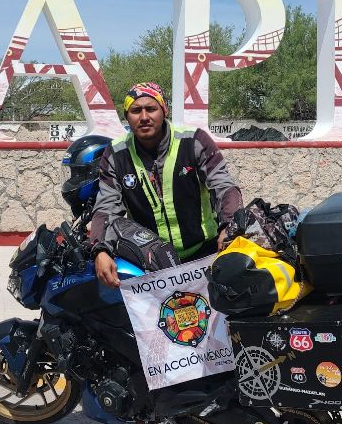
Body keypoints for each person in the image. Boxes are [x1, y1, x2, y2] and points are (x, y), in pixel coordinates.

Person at [89, 83, 243, 287]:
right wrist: (100, 250)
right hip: (149, 263)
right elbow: (107, 207)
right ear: (127, 116)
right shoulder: (116, 154)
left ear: (164, 111)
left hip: (204, 255)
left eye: (151, 108)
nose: (144, 117)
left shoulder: (193, 141)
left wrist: (231, 227)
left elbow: (224, 188)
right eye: (136, 110)